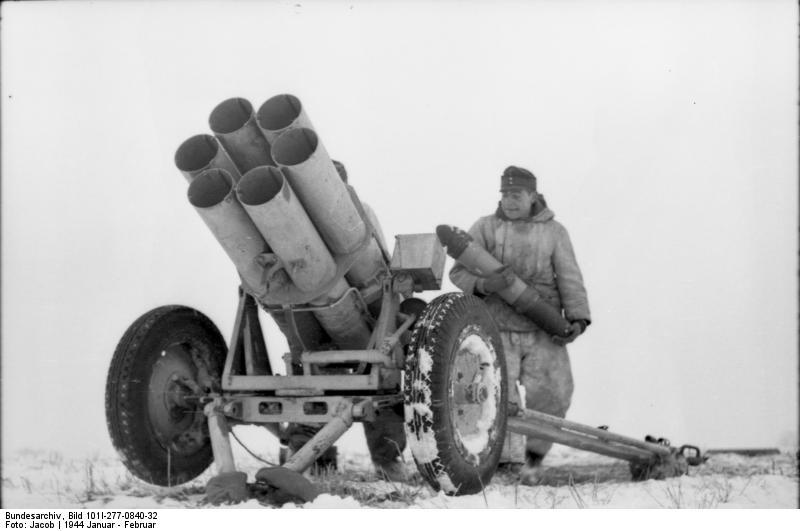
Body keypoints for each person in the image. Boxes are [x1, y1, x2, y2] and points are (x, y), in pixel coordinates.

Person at [449, 165, 591, 484]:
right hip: (496, 328)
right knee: (490, 395)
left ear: (532, 196)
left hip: (543, 329)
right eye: (505, 194)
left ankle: (533, 461)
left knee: (555, 394)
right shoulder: (485, 228)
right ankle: (495, 462)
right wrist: (486, 285)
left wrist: (579, 318)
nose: (509, 201)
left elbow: (570, 276)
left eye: (516, 195)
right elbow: (458, 273)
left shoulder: (555, 232)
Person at [282, 160, 407, 482]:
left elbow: (380, 255)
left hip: (365, 314)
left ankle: (388, 460)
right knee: (310, 384)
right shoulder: (290, 222)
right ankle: (312, 459)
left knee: (382, 387)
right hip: (311, 314)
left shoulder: (359, 212)